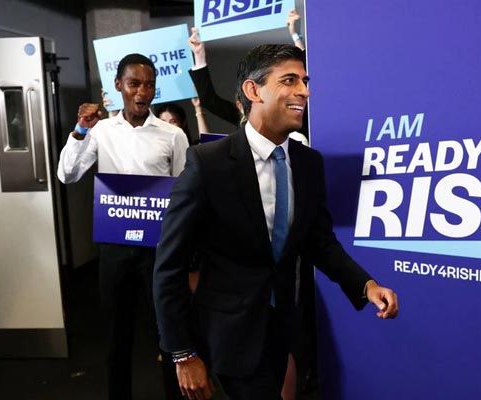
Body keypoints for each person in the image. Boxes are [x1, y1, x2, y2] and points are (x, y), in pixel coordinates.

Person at [153, 44, 399, 400]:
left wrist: (366, 285)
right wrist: (181, 352)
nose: (304, 91)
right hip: (227, 335)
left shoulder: (308, 163)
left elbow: (320, 243)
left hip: (283, 327)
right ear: (253, 91)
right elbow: (168, 266)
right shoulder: (208, 163)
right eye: (289, 80)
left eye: (304, 81)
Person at [58, 53, 189, 400]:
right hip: (114, 247)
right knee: (117, 335)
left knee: (168, 332)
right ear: (118, 86)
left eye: (148, 85)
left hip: (159, 249)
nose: (142, 92)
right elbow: (67, 175)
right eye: (134, 84)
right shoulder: (99, 131)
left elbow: (185, 190)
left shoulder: (172, 135)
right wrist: (80, 130)